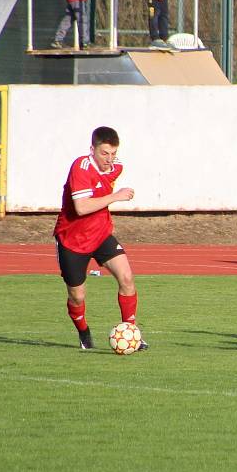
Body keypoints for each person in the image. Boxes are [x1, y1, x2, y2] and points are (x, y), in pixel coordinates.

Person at [54, 126, 146, 351]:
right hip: (72, 240)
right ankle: (84, 331)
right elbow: (82, 207)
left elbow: (104, 183)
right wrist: (116, 196)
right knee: (77, 296)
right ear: (92, 149)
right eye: (104, 153)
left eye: (113, 153)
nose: (109, 159)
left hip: (101, 234)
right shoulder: (80, 167)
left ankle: (131, 331)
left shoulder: (116, 167)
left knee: (127, 278)